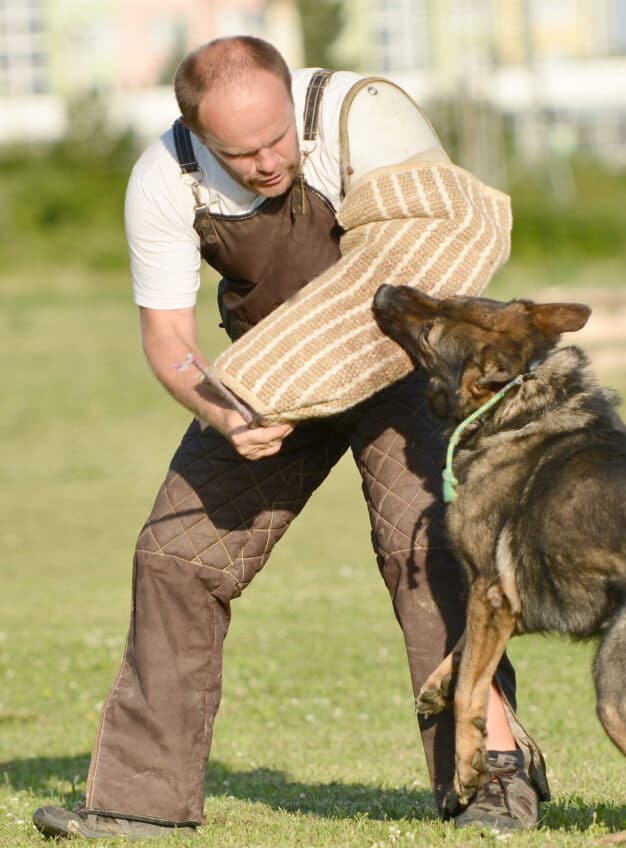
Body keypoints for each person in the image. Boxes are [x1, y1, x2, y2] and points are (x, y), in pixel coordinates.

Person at [32, 35, 547, 841]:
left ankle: (494, 776)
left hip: (399, 362)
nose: (269, 162)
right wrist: (222, 414)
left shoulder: (358, 115)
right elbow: (169, 341)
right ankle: (141, 801)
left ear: (289, 99)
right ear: (198, 134)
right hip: (272, 381)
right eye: (241, 152)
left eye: (277, 140)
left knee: (428, 554)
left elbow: (440, 243)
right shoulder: (164, 180)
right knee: (174, 558)